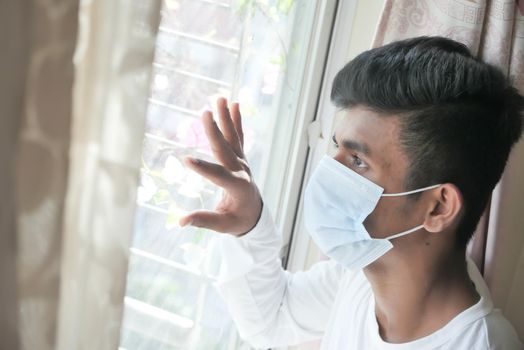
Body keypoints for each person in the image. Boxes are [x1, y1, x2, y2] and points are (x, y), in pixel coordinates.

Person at [179, 36, 524, 349]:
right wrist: (248, 226)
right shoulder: (362, 275)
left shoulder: (483, 345)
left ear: (437, 208)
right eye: (335, 148)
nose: (329, 172)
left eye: (358, 161)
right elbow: (273, 319)